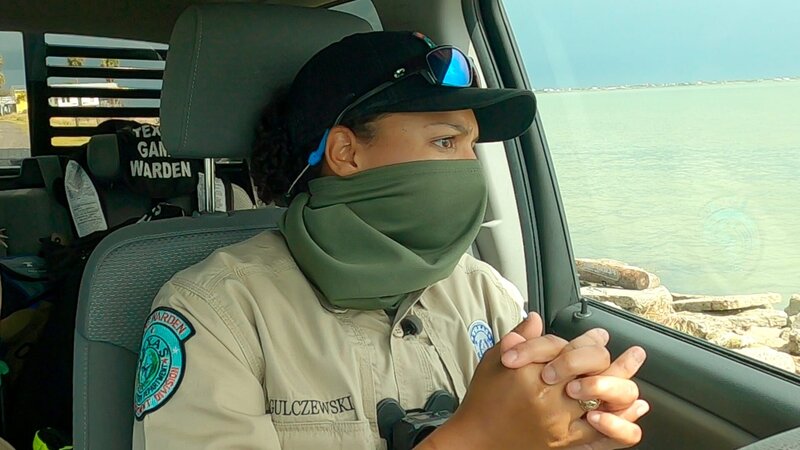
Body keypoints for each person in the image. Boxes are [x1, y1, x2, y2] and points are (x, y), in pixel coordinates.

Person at [132, 31, 648, 449]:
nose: (470, 167)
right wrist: (476, 439)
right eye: (445, 141)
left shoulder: (486, 292)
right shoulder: (216, 311)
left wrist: (571, 435)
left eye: (471, 145)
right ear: (346, 153)